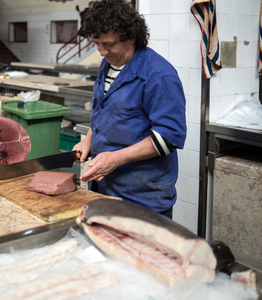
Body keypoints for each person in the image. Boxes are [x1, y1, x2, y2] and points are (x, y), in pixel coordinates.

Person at [72, 0, 187, 219]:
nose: (102, 51)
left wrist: (114, 159)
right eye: (96, 43)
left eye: (109, 44)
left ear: (131, 37)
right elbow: (103, 112)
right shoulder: (108, 64)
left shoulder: (159, 75)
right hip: (104, 189)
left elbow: (168, 139)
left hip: (142, 199)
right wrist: (87, 140)